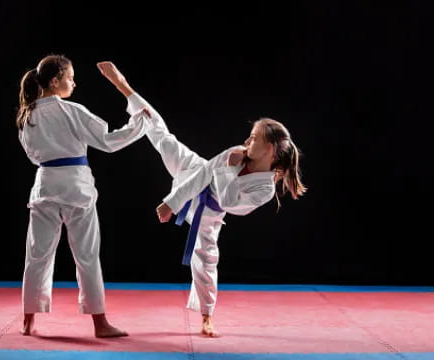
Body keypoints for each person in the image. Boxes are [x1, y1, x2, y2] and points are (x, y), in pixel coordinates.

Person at [97, 61, 307, 337]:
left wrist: (230, 168)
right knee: (163, 137)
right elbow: (205, 173)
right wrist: (172, 202)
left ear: (268, 149)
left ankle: (206, 316)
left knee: (206, 260)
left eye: (253, 138)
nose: (246, 140)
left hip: (209, 214)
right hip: (192, 174)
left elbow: (230, 202)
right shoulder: (238, 151)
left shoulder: (264, 189)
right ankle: (123, 85)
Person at [17, 55, 150, 338]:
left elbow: (33, 156)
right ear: (55, 81)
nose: (73, 83)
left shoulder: (26, 116)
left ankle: (28, 320)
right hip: (76, 186)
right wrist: (140, 123)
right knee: (87, 256)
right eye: (69, 78)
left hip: (44, 186)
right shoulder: (70, 110)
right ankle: (100, 324)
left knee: (37, 255)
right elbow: (108, 141)